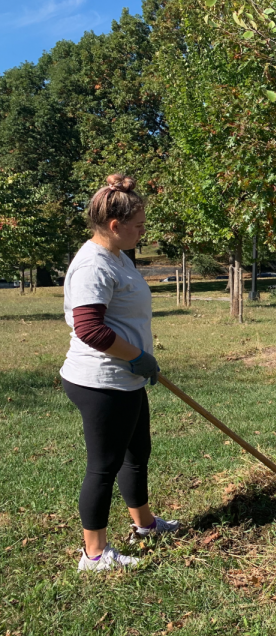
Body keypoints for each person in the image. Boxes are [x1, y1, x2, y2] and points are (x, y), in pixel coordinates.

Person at [61, 174, 179, 572]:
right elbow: (89, 328)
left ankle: (144, 525)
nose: (143, 233)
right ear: (115, 226)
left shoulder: (117, 256)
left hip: (124, 375)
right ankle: (94, 555)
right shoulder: (92, 265)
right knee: (104, 465)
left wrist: (137, 358)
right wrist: (136, 357)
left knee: (136, 454)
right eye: (139, 226)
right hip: (101, 380)